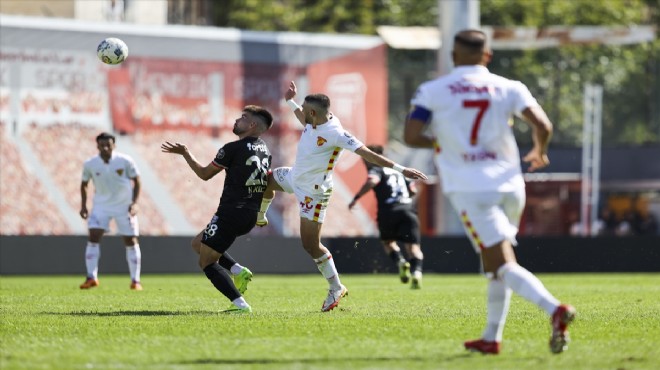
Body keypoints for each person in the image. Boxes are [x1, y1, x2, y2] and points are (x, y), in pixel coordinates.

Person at [404, 29, 576, 355]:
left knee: (501, 264)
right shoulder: (510, 87)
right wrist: (540, 151)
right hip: (511, 187)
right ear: (488, 55)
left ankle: (554, 309)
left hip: (472, 189)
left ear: (453, 56)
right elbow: (544, 125)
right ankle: (491, 338)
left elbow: (412, 136)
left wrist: (443, 142)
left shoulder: (433, 90)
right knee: (494, 263)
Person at [257, 81, 428, 312]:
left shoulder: (336, 133)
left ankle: (336, 287)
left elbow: (367, 153)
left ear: (314, 113)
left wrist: (400, 169)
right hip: (295, 177)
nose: (302, 114)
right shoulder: (313, 120)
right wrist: (290, 101)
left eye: (306, 111)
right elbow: (301, 117)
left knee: (310, 245)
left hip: (314, 192)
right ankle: (260, 215)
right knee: (265, 180)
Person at [161, 105, 273, 313]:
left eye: (243, 117)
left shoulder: (232, 148)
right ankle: (238, 271)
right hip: (249, 213)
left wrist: (185, 153)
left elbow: (204, 174)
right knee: (198, 243)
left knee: (206, 262)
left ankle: (239, 304)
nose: (237, 120)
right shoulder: (265, 149)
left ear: (252, 125)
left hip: (231, 212)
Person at [348, 144, 424, 289]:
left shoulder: (377, 169)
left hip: (388, 211)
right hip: (408, 211)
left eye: (366, 158)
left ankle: (401, 261)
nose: (364, 162)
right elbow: (413, 191)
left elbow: (372, 181)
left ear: (374, 157)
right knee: (414, 248)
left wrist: (356, 198)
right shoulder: (401, 172)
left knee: (388, 243)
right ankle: (416, 274)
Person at [79, 132, 143, 290]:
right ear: (97, 146)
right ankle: (91, 277)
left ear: (114, 145)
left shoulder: (125, 161)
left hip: (124, 205)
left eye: (108, 144)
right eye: (102, 145)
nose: (105, 147)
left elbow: (137, 181)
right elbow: (84, 184)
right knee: (93, 236)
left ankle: (135, 281)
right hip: (101, 206)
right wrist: (83, 205)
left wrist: (134, 203)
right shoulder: (90, 164)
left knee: (130, 240)